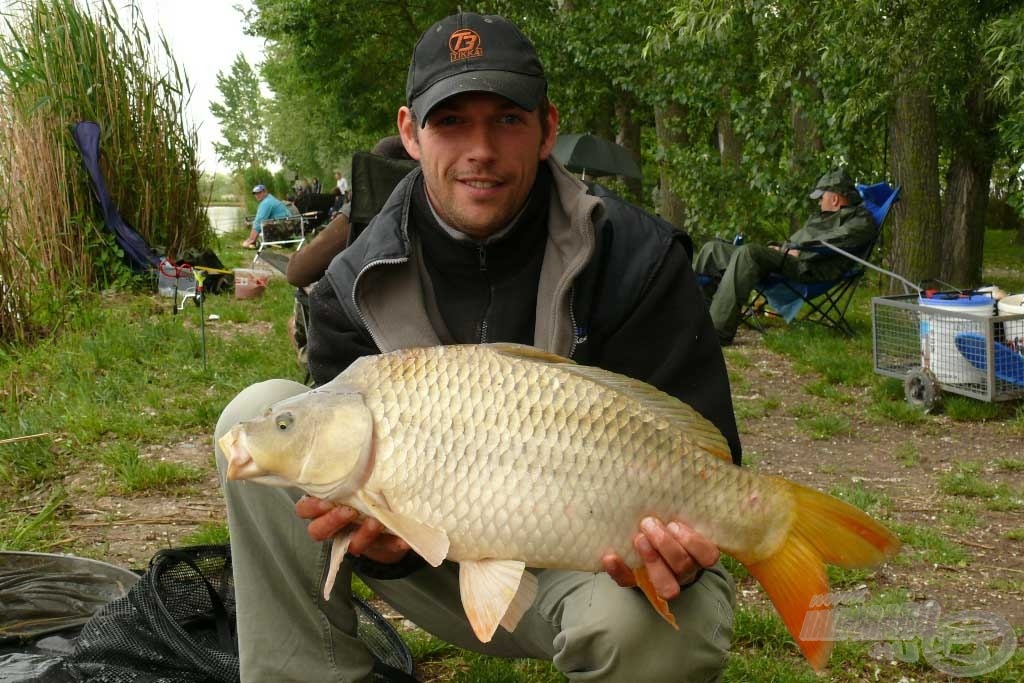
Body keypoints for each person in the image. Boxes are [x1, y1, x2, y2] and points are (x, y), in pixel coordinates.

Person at [216, 12, 740, 682]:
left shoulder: (637, 256)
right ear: (410, 132)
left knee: (654, 633)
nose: (481, 149)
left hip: (596, 567)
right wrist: (385, 548)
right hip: (435, 564)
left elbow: (710, 446)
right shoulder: (349, 282)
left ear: (548, 128)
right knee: (257, 414)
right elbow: (358, 518)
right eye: (452, 121)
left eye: (508, 120)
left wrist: (684, 546)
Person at [693, 168, 876, 345]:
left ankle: (717, 332)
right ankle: (695, 320)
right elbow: (803, 239)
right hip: (789, 257)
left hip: (809, 267)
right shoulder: (823, 217)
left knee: (748, 253)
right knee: (713, 249)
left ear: (834, 198)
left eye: (821, 197)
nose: (819, 202)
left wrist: (799, 250)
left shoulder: (860, 220)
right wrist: (781, 248)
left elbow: (834, 241)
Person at [242, 184, 292, 249]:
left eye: (259, 193)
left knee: (258, 224)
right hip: (288, 228)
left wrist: (251, 240)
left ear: (265, 192)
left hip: (283, 228)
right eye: (255, 194)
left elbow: (258, 222)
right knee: (258, 223)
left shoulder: (266, 202)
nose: (257, 195)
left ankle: (254, 242)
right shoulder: (270, 198)